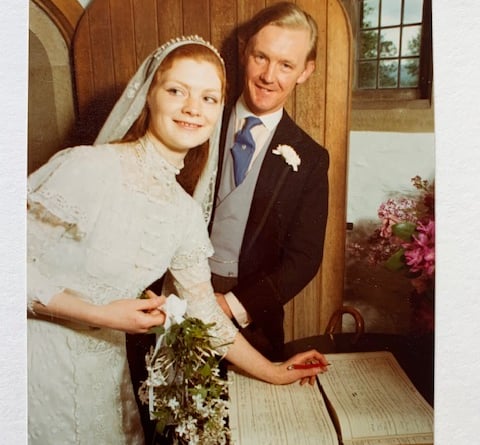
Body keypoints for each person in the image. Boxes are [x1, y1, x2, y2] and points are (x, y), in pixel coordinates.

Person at [27, 35, 328, 445]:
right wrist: (104, 315)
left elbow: (205, 310)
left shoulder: (183, 212)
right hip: (35, 374)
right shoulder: (89, 167)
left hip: (104, 388)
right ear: (149, 95)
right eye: (176, 91)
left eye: (208, 98)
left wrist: (276, 372)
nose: (192, 109)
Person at [209, 2, 330, 361]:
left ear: (305, 72)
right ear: (244, 50)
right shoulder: (199, 121)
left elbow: (305, 258)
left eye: (286, 65)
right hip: (177, 296)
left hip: (252, 319)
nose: (268, 76)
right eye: (261, 57)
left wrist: (232, 305)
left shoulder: (310, 158)